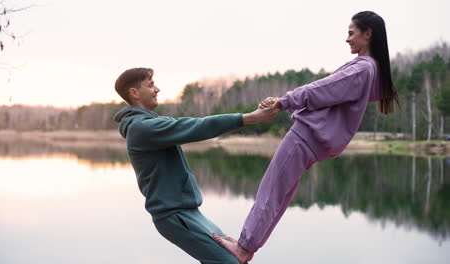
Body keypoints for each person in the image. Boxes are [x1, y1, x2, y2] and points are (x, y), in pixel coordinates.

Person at [213, 11, 400, 263]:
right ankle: (248, 244)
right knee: (281, 193)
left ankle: (244, 248)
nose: (347, 39)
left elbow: (323, 89)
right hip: (317, 143)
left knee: (271, 191)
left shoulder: (361, 68)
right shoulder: (373, 70)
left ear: (368, 34)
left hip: (306, 136)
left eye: (351, 33)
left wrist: (283, 102)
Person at [113, 67, 279, 264]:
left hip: (189, 212)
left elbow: (193, 125)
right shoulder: (142, 129)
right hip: (175, 216)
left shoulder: (150, 124)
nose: (157, 89)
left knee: (238, 258)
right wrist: (250, 118)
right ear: (134, 93)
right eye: (150, 85)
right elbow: (197, 126)